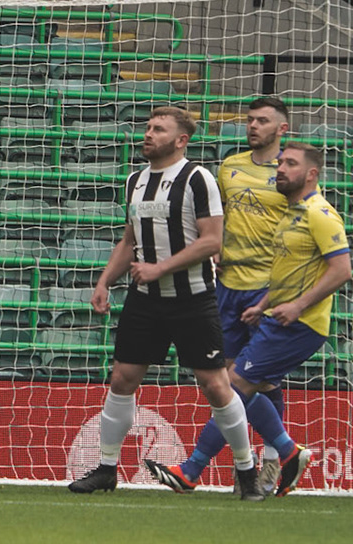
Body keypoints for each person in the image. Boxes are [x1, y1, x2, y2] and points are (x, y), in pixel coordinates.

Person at [68, 106, 262, 499]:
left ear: (180, 140)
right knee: (122, 379)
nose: (148, 133)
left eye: (159, 129)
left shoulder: (197, 178)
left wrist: (160, 268)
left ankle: (247, 472)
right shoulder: (135, 181)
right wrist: (105, 281)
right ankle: (107, 468)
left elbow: (212, 240)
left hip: (193, 299)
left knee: (215, 385)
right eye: (148, 127)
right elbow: (130, 240)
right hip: (145, 301)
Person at [148, 143, 347, 497]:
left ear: (312, 174)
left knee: (230, 387)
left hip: (299, 325)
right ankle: (287, 453)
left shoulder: (320, 214)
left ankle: (192, 470)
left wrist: (298, 306)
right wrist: (265, 304)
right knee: (246, 387)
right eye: (280, 162)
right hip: (275, 317)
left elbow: (342, 270)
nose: (280, 169)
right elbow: (289, 271)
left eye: (290, 164)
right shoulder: (290, 213)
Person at [211, 95, 291, 489]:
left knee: (263, 378)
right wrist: (215, 249)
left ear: (282, 129)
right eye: (250, 120)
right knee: (229, 379)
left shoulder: (290, 173)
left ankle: (274, 460)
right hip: (228, 286)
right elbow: (218, 216)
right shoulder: (230, 166)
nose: (253, 126)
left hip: (268, 287)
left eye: (262, 120)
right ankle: (250, 460)